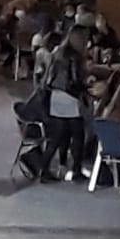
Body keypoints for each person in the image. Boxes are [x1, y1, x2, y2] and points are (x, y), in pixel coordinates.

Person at [39, 26, 90, 183]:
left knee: (57, 137)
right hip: (70, 98)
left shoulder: (58, 52)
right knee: (78, 136)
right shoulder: (75, 56)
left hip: (56, 96)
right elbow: (73, 81)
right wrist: (87, 87)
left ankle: (44, 168)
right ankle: (76, 170)